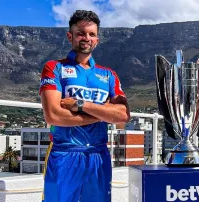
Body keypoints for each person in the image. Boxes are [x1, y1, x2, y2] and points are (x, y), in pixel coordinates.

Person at [39, 10, 130, 202]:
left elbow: (122, 115)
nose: (86, 38)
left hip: (99, 155)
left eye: (91, 34)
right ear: (70, 36)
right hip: (64, 153)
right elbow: (54, 116)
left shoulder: (108, 75)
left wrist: (80, 104)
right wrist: (103, 113)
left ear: (97, 39)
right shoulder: (55, 67)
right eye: (81, 33)